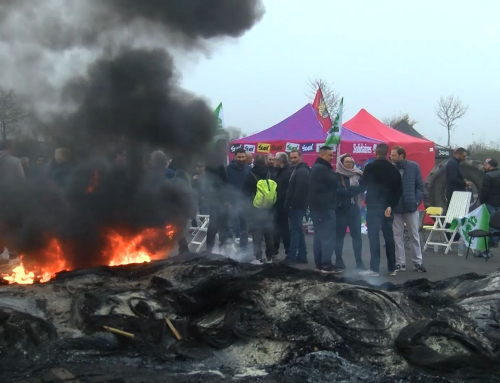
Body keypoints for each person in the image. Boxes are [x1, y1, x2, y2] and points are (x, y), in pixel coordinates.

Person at [359, 144, 402, 277]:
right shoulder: (393, 169)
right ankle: (392, 268)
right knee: (389, 237)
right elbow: (398, 190)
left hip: (373, 206)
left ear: (376, 152)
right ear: (387, 153)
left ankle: (374, 269)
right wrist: (390, 205)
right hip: (387, 208)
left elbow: (362, 185)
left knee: (373, 237)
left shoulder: (370, 167)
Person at [390, 146, 426, 273]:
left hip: (411, 206)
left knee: (414, 235)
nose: (391, 157)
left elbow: (420, 186)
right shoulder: (391, 168)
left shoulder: (414, 166)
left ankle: (418, 262)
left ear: (402, 155)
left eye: (394, 155)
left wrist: (416, 201)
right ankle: (400, 263)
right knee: (397, 236)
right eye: (391, 155)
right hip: (396, 206)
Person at [308, 146, 341, 274]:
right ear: (321, 155)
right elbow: (334, 182)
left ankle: (320, 264)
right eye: (329, 155)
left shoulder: (316, 168)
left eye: (332, 155)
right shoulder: (322, 169)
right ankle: (326, 264)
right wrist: (336, 174)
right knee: (327, 236)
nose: (331, 158)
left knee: (319, 236)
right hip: (324, 207)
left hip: (318, 207)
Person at [243, 154, 275, 264]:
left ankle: (258, 258)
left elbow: (245, 193)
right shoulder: (270, 174)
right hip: (269, 208)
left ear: (254, 162)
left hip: (255, 209)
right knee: (269, 233)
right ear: (265, 162)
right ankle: (270, 257)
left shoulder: (250, 175)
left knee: (257, 234)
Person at [335, 153, 365, 270]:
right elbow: (340, 191)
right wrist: (353, 191)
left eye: (351, 162)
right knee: (339, 236)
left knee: (357, 236)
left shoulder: (358, 174)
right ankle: (338, 259)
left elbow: (363, 188)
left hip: (354, 210)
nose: (349, 164)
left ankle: (359, 261)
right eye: (347, 162)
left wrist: (349, 190)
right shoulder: (337, 175)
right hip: (341, 210)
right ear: (342, 163)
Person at [0, 140, 25, 262]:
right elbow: (21, 181)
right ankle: (12, 251)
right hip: (9, 199)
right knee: (10, 224)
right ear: (9, 147)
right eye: (14, 146)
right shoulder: (14, 161)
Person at [206, 140, 232, 253]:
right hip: (218, 200)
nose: (227, 150)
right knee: (216, 225)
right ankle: (214, 249)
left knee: (219, 225)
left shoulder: (218, 160)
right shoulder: (215, 162)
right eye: (226, 147)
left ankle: (217, 248)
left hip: (219, 199)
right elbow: (219, 183)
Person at [284, 150, 309, 264]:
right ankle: (302, 255)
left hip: (297, 206)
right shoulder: (297, 169)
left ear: (301, 157)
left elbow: (300, 190)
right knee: (298, 230)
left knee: (294, 231)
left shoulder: (302, 171)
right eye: (291, 158)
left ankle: (292, 256)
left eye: (295, 157)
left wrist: (292, 205)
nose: (293, 160)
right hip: (297, 205)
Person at [226, 147, 250, 249]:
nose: (241, 159)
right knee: (233, 225)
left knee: (244, 226)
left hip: (245, 201)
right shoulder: (228, 169)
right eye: (239, 157)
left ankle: (243, 248)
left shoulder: (248, 169)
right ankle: (230, 248)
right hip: (232, 202)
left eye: (243, 157)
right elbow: (225, 186)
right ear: (235, 157)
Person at [273, 152, 293, 257]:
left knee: (284, 228)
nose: (273, 162)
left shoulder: (287, 173)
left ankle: (288, 250)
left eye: (275, 160)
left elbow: (286, 191)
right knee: (277, 227)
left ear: (280, 161)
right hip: (277, 205)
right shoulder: (278, 172)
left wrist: (279, 199)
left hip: (283, 205)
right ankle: (275, 249)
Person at [480, 158, 500, 247]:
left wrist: (481, 200)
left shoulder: (488, 176)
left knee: (492, 221)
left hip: (490, 201)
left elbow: (484, 190)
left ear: (490, 165)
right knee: (498, 221)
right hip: (498, 202)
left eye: (487, 164)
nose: (486, 166)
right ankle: (497, 239)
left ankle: (493, 241)